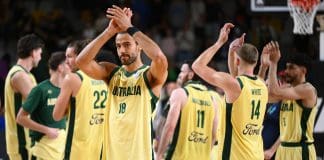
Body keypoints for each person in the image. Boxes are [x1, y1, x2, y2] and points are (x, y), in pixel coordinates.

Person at [75, 6, 168, 159]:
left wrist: (130, 28)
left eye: (127, 45)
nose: (122, 50)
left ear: (139, 47)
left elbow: (159, 57)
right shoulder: (111, 73)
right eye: (118, 46)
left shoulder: (149, 76)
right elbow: (81, 61)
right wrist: (108, 32)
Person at [192, 23, 268, 160]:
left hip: (235, 156)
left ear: (238, 62)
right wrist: (232, 52)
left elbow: (197, 66)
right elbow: (236, 78)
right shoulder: (262, 85)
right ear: (255, 62)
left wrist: (220, 42)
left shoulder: (235, 86)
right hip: (256, 155)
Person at [52, 40, 107, 160]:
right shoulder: (105, 76)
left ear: (82, 55)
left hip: (77, 149)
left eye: (69, 57)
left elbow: (56, 115)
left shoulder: (72, 78)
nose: (66, 61)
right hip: (100, 148)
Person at [156, 61, 220, 160]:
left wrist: (159, 155)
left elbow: (169, 127)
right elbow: (214, 134)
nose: (179, 75)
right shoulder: (212, 99)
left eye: (182, 72)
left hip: (179, 156)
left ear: (190, 74)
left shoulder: (180, 93)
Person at [267, 42, 317, 160]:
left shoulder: (307, 89)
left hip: (300, 150)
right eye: (287, 67)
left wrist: (273, 63)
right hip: (283, 149)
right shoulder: (288, 90)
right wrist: (265, 66)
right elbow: (268, 96)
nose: (287, 71)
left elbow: (274, 92)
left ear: (303, 70)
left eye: (292, 68)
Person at [16, 51, 70, 160]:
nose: (71, 66)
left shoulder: (68, 89)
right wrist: (46, 130)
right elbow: (20, 118)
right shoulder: (40, 90)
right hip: (42, 150)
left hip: (61, 150)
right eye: (68, 64)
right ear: (60, 68)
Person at [4, 34, 44, 159]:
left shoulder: (27, 75)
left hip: (27, 141)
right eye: (40, 53)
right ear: (33, 53)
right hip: (22, 143)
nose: (40, 58)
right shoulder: (19, 76)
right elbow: (40, 105)